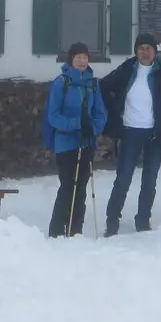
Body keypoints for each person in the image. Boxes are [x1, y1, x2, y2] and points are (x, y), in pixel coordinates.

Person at [99, 33, 161, 237]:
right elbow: (103, 86)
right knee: (123, 178)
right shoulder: (127, 69)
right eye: (141, 48)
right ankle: (112, 220)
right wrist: (114, 108)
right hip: (130, 131)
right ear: (136, 51)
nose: (145, 52)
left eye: (148, 48)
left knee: (149, 180)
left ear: (155, 51)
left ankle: (143, 219)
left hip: (154, 133)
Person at [46, 42, 108, 238]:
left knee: (81, 188)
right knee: (67, 186)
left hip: (86, 142)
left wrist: (93, 128)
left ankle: (75, 229)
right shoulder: (61, 83)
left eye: (85, 57)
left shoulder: (93, 83)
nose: (82, 61)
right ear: (71, 59)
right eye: (78, 57)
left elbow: (101, 113)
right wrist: (77, 124)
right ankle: (57, 230)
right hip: (65, 144)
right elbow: (53, 116)